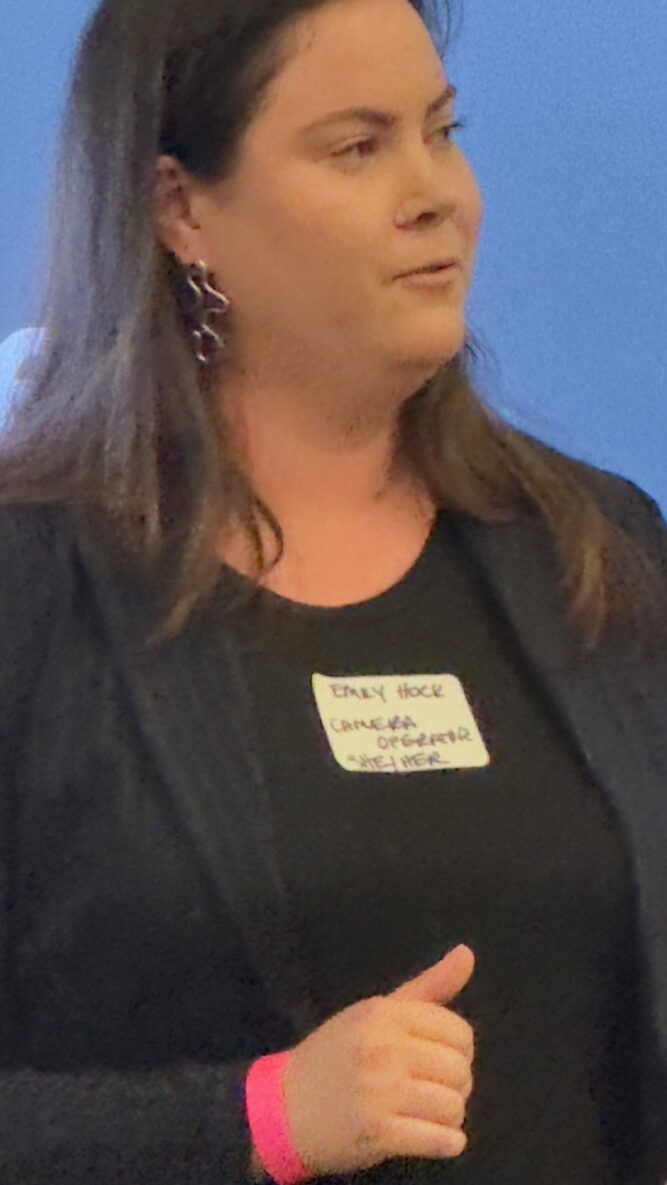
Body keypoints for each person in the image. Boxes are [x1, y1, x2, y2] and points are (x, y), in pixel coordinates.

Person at [0, 0, 666, 1183]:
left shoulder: (595, 546)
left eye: (441, 133)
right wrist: (258, 1120)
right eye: (357, 147)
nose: (436, 194)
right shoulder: (31, 581)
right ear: (180, 210)